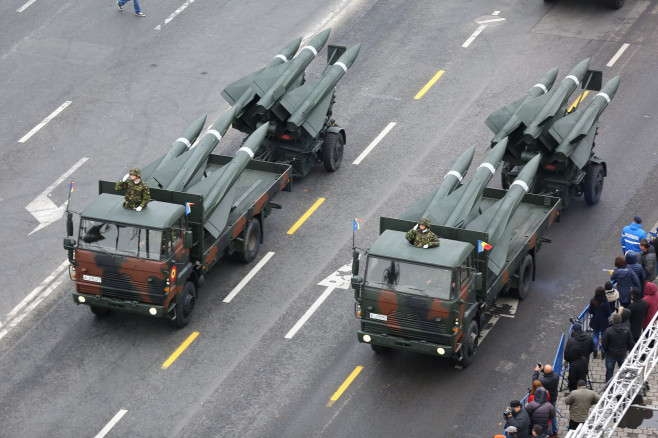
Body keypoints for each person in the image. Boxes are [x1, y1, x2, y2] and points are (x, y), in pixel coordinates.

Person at [602, 312, 634, 382]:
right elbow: (631, 342)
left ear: (613, 320)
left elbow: (604, 343)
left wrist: (606, 350)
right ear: (621, 320)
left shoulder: (608, 330)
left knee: (609, 371)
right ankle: (623, 385)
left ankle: (608, 387)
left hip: (610, 354)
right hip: (622, 353)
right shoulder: (627, 330)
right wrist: (626, 349)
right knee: (623, 371)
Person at [564, 323, 594, 390]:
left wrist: (569, 360)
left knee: (573, 377)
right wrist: (586, 354)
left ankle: (573, 390)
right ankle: (582, 388)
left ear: (573, 331)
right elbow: (592, 348)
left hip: (573, 362)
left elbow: (566, 354)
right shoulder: (588, 337)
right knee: (583, 375)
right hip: (585, 361)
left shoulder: (571, 340)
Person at [532, 364, 559, 437]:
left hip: (546, 400)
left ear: (545, 372)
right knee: (553, 415)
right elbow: (548, 373)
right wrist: (543, 370)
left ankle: (550, 432)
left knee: (548, 417)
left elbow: (535, 383)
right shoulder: (556, 375)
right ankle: (555, 430)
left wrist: (536, 372)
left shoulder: (542, 381)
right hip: (554, 398)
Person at [589, 287, 611, 359]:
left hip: (595, 321)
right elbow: (608, 313)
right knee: (603, 337)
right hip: (603, 322)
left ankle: (595, 351)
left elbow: (590, 311)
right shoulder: (606, 302)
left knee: (595, 335)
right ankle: (603, 352)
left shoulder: (593, 301)